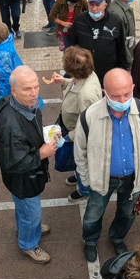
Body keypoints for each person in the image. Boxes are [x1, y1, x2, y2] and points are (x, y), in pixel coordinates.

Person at [73, 68, 140, 263]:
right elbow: (80, 152)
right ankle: (91, 241)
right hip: (102, 179)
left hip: (133, 178)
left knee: (127, 214)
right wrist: (86, 180)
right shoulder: (89, 116)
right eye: (115, 96)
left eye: (127, 94)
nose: (122, 100)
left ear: (133, 88)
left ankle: (117, 237)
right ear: (105, 92)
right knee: (93, 214)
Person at [0, 66, 55, 264]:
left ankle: (27, 228)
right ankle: (28, 244)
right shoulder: (10, 125)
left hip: (25, 179)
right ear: (14, 91)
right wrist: (42, 153)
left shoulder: (18, 104)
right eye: (27, 89)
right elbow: (12, 162)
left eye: (36, 86)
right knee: (30, 212)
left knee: (25, 210)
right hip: (24, 180)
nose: (34, 93)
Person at [46, 47, 103, 202]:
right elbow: (78, 82)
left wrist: (68, 136)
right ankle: (79, 176)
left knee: (81, 160)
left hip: (77, 134)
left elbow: (88, 124)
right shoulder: (88, 73)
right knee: (79, 161)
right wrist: (65, 82)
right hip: (71, 126)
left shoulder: (86, 96)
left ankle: (84, 189)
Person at [70, 0, 129, 84]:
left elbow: (121, 48)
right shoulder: (80, 20)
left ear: (105, 5)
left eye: (97, 5)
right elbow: (72, 44)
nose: (94, 8)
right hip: (85, 73)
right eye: (91, 4)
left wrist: (123, 70)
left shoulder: (115, 21)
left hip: (107, 72)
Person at [106, 0, 137, 64]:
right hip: (122, 59)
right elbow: (120, 42)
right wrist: (129, 61)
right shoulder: (116, 13)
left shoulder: (124, 5)